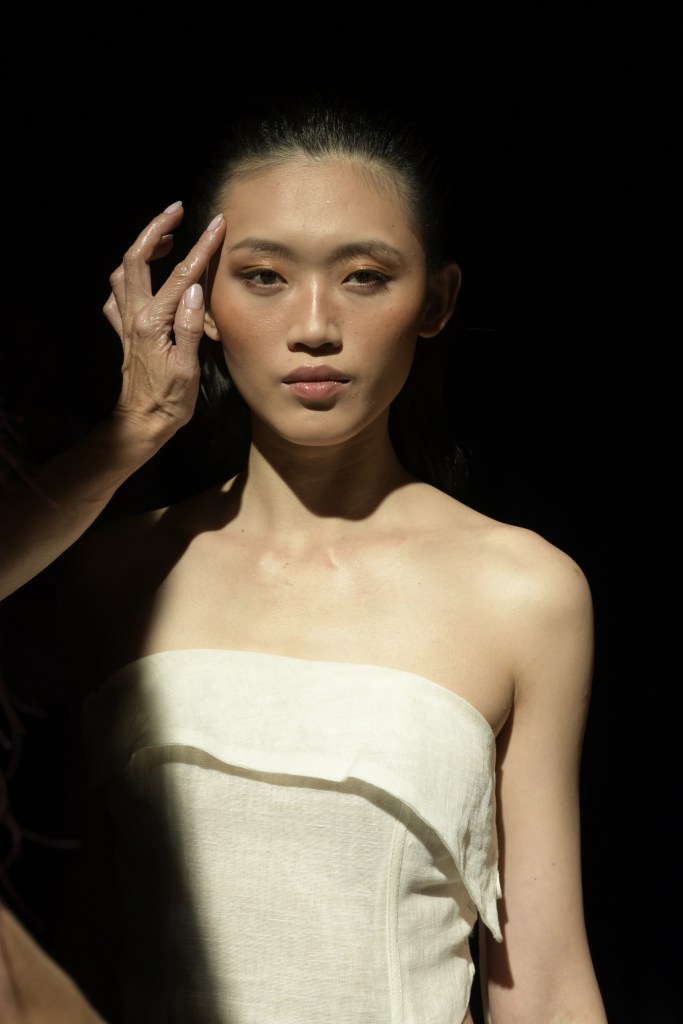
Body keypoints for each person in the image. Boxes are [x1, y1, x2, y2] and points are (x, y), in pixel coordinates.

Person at [0, 92, 608, 1023]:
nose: (314, 325)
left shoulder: (522, 591)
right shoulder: (116, 569)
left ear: (436, 299)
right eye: (263, 277)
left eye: (364, 276)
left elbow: (547, 985)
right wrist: (136, 427)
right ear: (196, 300)